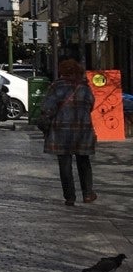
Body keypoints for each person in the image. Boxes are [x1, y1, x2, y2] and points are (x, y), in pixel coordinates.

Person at [40, 59, 98, 206]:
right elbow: (91, 105)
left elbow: (48, 108)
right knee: (83, 161)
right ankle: (87, 194)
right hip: (82, 130)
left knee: (64, 164)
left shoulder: (56, 86)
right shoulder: (84, 87)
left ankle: (70, 197)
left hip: (61, 131)